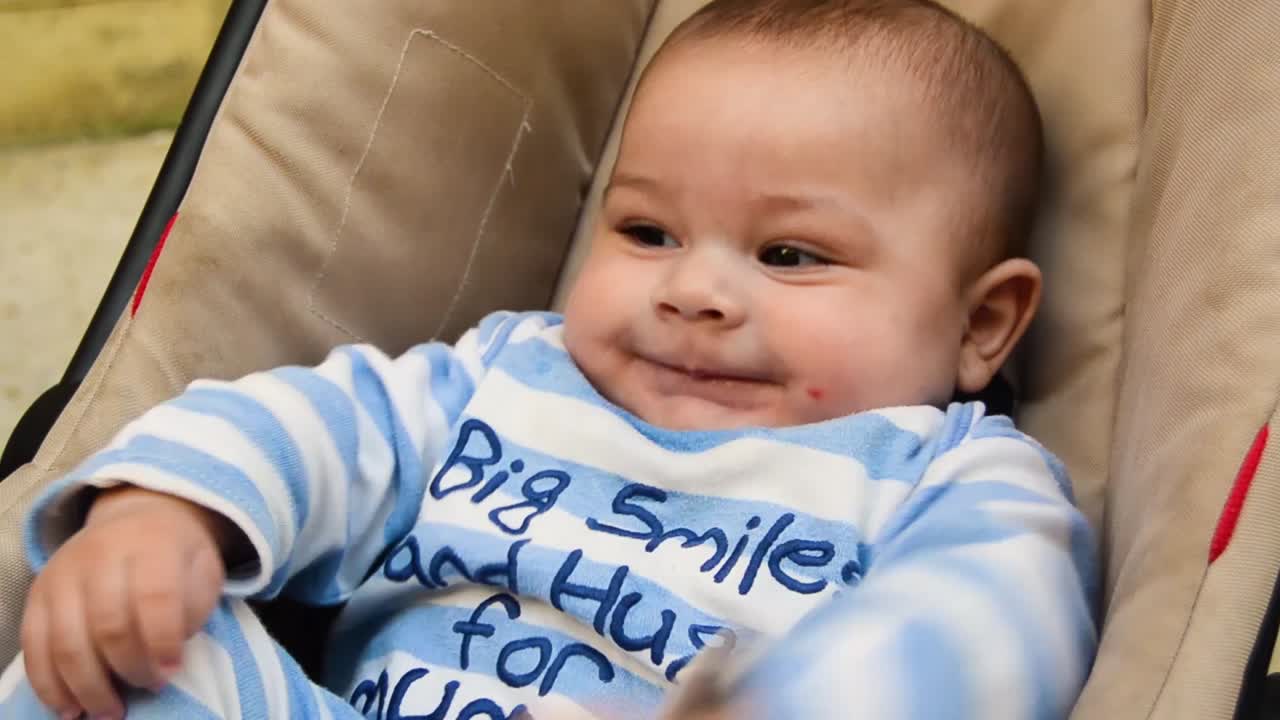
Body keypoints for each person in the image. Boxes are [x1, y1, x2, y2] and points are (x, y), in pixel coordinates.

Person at [0, 0, 1098, 718]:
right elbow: (320, 423)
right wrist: (165, 518)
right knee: (116, 663)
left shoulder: (951, 474)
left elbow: (993, 622)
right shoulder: (506, 375)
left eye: (789, 253)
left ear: (978, 327)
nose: (694, 290)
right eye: (646, 232)